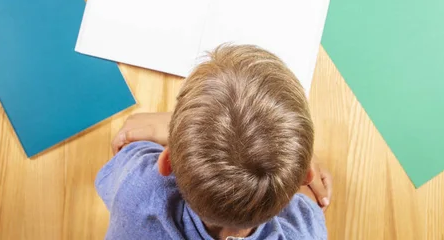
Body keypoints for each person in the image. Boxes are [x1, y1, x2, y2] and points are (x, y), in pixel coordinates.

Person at [96, 45, 332, 239]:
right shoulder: (304, 232)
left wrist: (172, 126)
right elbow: (314, 200)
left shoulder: (139, 190)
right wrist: (296, 155)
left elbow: (124, 145)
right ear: (305, 175)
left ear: (167, 161)